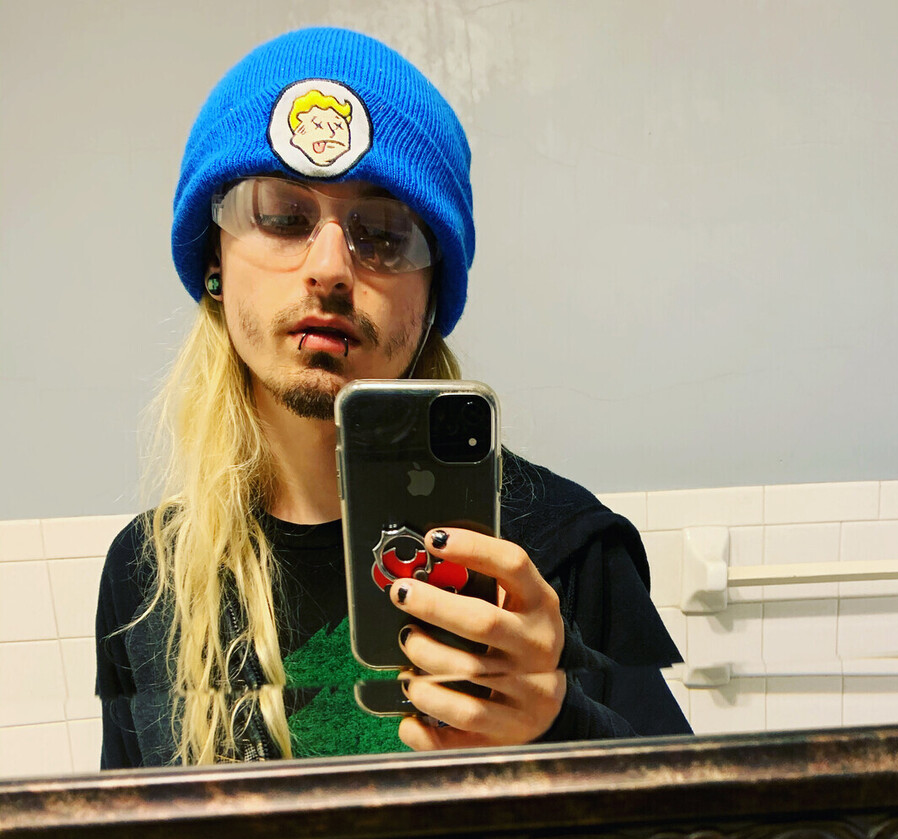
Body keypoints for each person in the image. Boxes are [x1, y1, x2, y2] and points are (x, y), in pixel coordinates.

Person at [95, 27, 690, 768]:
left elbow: (701, 828)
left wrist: (562, 722)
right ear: (214, 259)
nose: (329, 268)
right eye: (282, 216)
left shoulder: (561, 551)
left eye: (382, 233)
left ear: (434, 292)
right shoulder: (147, 579)